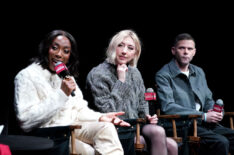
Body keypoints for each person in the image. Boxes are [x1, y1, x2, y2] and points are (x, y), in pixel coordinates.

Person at [14, 29, 131, 155]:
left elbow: (79, 110)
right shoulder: (27, 76)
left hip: (72, 127)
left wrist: (101, 117)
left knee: (106, 128)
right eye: (54, 48)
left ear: (70, 56)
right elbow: (25, 120)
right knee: (90, 152)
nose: (59, 54)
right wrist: (61, 94)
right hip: (50, 134)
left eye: (66, 51)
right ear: (45, 48)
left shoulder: (65, 76)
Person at [86, 29, 178, 155]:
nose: (124, 51)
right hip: (113, 130)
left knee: (170, 143)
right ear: (113, 47)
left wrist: (147, 117)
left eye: (130, 48)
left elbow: (142, 102)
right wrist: (121, 81)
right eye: (120, 45)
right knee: (151, 138)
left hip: (136, 127)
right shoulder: (98, 74)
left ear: (135, 53)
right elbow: (108, 111)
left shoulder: (135, 72)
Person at [155, 33, 234, 155]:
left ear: (194, 52)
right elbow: (168, 107)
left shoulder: (199, 71)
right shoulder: (164, 74)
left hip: (203, 124)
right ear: (173, 50)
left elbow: (208, 99)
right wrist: (202, 115)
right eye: (182, 48)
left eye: (189, 49)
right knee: (220, 142)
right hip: (183, 125)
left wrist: (216, 112)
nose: (186, 52)